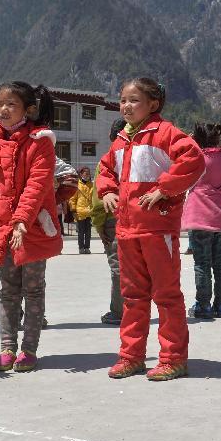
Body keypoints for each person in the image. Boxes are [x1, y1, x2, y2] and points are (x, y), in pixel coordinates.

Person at [97, 78, 205, 381]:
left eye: (134, 100)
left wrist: (165, 188)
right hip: (127, 231)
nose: (126, 106)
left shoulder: (166, 133)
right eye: (122, 100)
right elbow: (105, 169)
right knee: (132, 297)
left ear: (153, 104)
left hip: (158, 231)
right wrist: (106, 191)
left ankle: (173, 359)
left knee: (167, 296)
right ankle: (131, 356)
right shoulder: (121, 140)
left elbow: (194, 160)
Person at [0, 81, 63, 373]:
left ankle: (28, 350)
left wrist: (21, 221)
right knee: (8, 291)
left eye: (11, 104)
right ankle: (7, 347)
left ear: (28, 110)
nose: (2, 110)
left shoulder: (41, 142)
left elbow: (38, 185)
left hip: (32, 230)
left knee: (33, 290)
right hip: (1, 230)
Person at [182, 122, 221, 319]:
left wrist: (189, 142)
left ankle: (203, 306)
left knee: (202, 264)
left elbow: (178, 166)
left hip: (199, 219)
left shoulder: (196, 159)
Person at [92, 118, 127, 325]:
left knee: (118, 268)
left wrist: (99, 226)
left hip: (113, 220)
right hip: (139, 219)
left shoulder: (107, 160)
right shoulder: (142, 158)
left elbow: (98, 203)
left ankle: (119, 311)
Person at [70, 167, 94, 254]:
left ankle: (87, 247)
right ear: (81, 174)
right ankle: (81, 248)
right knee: (81, 232)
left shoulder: (91, 185)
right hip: (79, 211)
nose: (87, 175)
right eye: (86, 173)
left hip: (89, 211)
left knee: (88, 232)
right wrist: (73, 210)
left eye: (88, 173)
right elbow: (73, 198)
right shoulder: (77, 185)